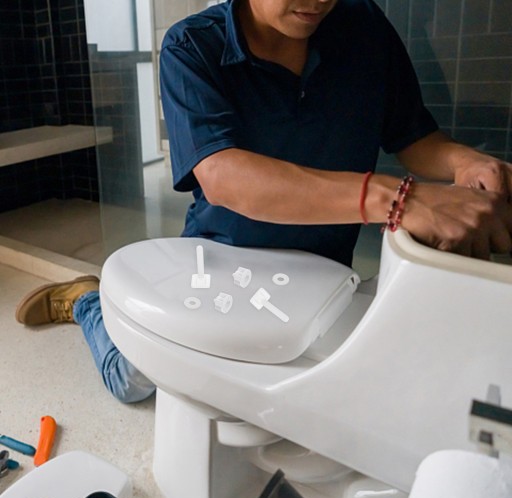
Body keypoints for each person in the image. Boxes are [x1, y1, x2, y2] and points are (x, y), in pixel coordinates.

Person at [15, 0, 512, 403]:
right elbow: (224, 176)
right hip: (220, 261)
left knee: (287, 388)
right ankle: (88, 302)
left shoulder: (363, 26)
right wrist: (398, 199)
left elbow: (412, 135)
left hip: (321, 269)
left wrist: (465, 162)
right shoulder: (192, 46)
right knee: (135, 382)